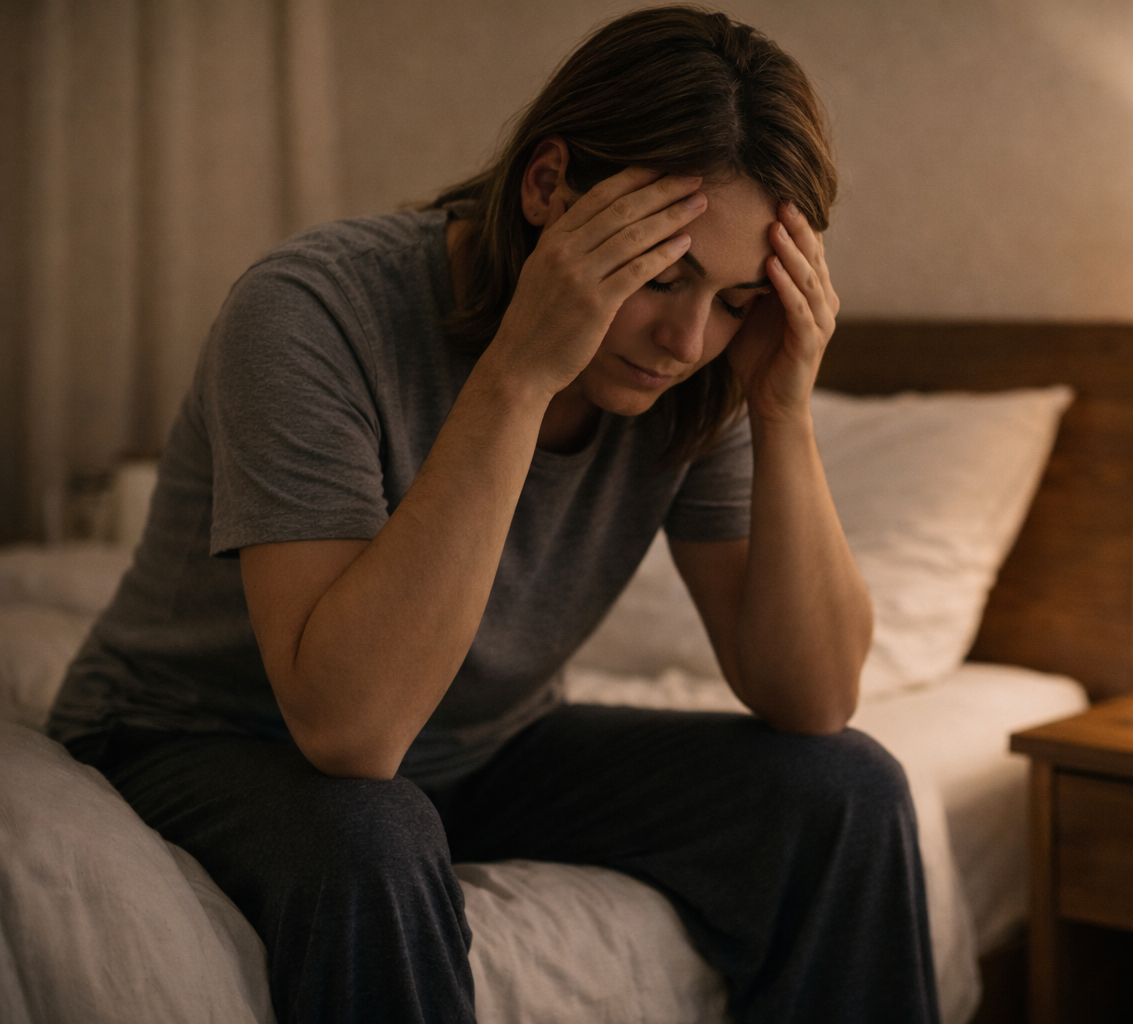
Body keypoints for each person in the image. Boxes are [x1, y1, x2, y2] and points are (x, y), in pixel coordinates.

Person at [47, 7, 940, 1023]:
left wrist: (780, 406)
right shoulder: (312, 310)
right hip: (188, 735)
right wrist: (517, 374)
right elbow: (352, 734)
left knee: (849, 791)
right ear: (549, 186)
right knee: (372, 834)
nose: (686, 335)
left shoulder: (702, 369)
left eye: (737, 297)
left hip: (479, 746)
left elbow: (814, 697)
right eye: (659, 273)